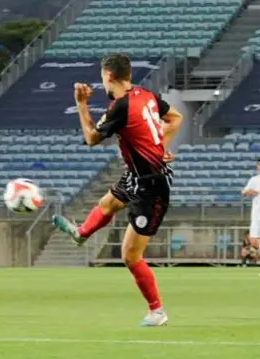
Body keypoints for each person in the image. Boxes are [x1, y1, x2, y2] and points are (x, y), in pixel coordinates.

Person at [51, 53, 183, 327]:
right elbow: (176, 118)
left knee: (130, 255)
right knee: (108, 203)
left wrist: (81, 104)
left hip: (151, 186)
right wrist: (162, 147)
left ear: (109, 76)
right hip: (136, 176)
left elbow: (90, 138)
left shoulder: (119, 107)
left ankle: (157, 311)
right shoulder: (146, 95)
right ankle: (81, 233)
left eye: (102, 77)